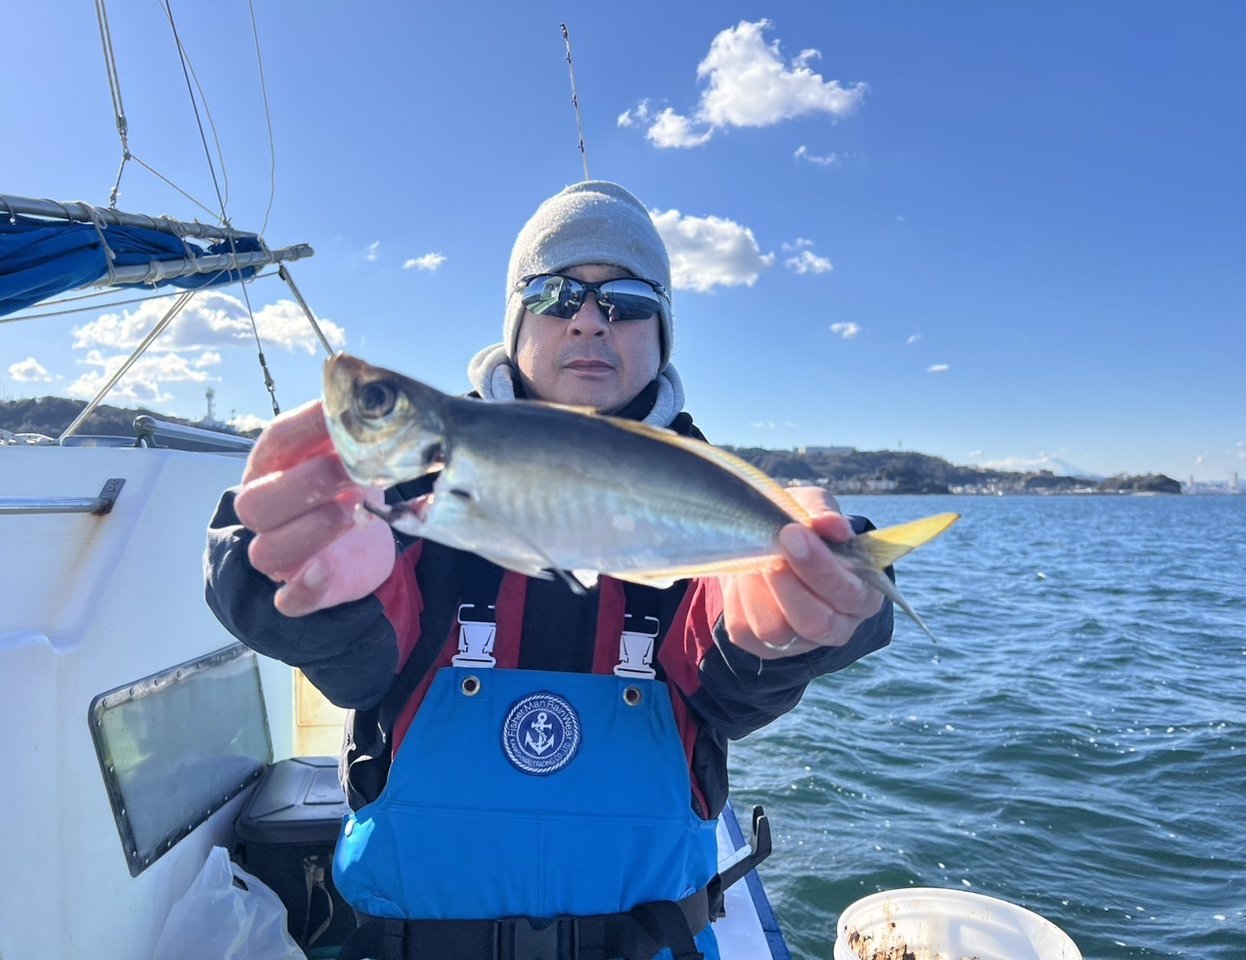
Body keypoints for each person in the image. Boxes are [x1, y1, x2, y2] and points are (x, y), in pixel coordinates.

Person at [205, 181, 894, 960]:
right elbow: (359, 661)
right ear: (515, 322)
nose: (590, 318)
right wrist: (280, 569)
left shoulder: (709, 496)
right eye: (555, 293)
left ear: (662, 334)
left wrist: (796, 621)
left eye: (627, 301)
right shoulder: (396, 493)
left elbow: (726, 666)